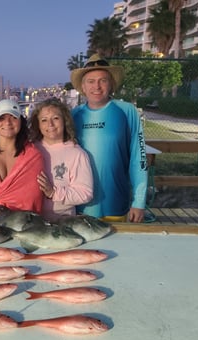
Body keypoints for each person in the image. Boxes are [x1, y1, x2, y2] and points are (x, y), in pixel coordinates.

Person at [70, 54, 148, 223]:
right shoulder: (73, 115)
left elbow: (139, 158)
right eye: (90, 81)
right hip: (79, 207)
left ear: (111, 84)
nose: (96, 86)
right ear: (83, 86)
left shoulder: (127, 112)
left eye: (103, 80)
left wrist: (139, 201)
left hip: (116, 203)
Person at [29, 97, 93, 222]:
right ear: (38, 125)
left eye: (56, 118)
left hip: (63, 222)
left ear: (65, 121)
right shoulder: (30, 150)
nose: (50, 124)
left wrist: (53, 192)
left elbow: (86, 193)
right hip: (32, 222)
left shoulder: (77, 154)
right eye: (44, 120)